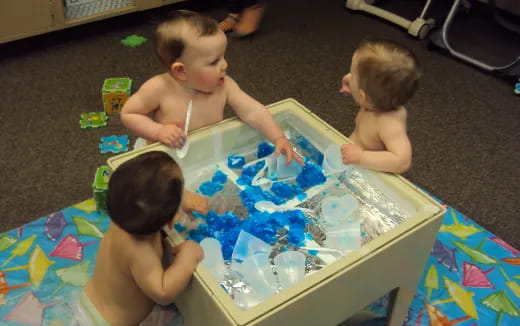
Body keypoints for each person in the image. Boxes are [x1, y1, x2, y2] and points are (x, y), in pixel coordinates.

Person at [120, 10, 302, 166]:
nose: (225, 65)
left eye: (223, 56)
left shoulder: (224, 85)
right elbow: (129, 114)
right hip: (164, 158)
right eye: (214, 61)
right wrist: (158, 131)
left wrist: (278, 137)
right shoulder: (159, 88)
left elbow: (253, 111)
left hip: (206, 152)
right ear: (181, 71)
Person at [78, 151, 208, 325]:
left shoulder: (125, 213)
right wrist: (188, 257)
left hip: (89, 302)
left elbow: (149, 199)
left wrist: (179, 199)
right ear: (171, 220)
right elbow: (163, 292)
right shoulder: (141, 251)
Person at [339, 39, 421, 174]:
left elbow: (402, 161)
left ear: (363, 96)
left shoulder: (388, 123)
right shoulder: (376, 102)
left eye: (352, 74)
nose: (348, 76)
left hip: (370, 171)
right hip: (353, 156)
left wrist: (361, 157)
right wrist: (353, 85)